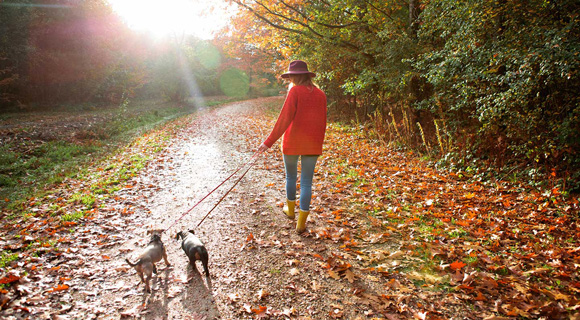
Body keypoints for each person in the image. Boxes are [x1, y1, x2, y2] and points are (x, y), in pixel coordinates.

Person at [258, 60, 327, 234]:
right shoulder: (321, 94)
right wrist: (318, 142)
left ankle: (290, 211)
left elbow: (284, 119)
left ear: (295, 78)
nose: (291, 80)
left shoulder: (295, 92)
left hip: (292, 142)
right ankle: (301, 223)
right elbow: (322, 123)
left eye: (291, 77)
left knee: (291, 177)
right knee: (306, 182)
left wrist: (268, 142)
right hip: (312, 143)